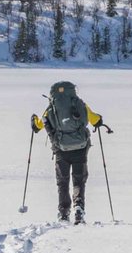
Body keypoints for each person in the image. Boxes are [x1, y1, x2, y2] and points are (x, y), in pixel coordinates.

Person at [31, 80, 108, 224]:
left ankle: (63, 212)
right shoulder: (80, 104)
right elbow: (95, 120)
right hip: (80, 148)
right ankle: (79, 207)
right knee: (79, 180)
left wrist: (34, 120)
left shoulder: (51, 108)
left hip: (61, 149)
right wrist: (98, 119)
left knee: (63, 181)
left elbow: (38, 126)